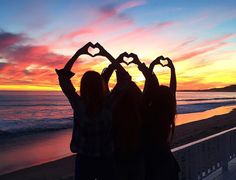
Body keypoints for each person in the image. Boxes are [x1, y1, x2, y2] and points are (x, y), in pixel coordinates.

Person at [55, 42, 115, 180]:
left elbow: (63, 78)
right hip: (105, 160)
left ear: (83, 87)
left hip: (84, 161)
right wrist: (105, 54)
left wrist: (79, 52)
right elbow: (125, 79)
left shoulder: (79, 105)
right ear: (101, 87)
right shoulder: (108, 104)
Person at [94, 45, 144, 180]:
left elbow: (102, 83)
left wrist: (114, 62)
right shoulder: (140, 106)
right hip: (136, 156)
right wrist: (137, 64)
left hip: (114, 156)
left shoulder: (111, 104)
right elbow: (148, 83)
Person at [129, 54, 180, 180]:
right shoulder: (167, 115)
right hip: (166, 161)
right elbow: (172, 90)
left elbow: (148, 88)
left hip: (149, 162)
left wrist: (149, 66)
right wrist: (172, 69)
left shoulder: (147, 113)